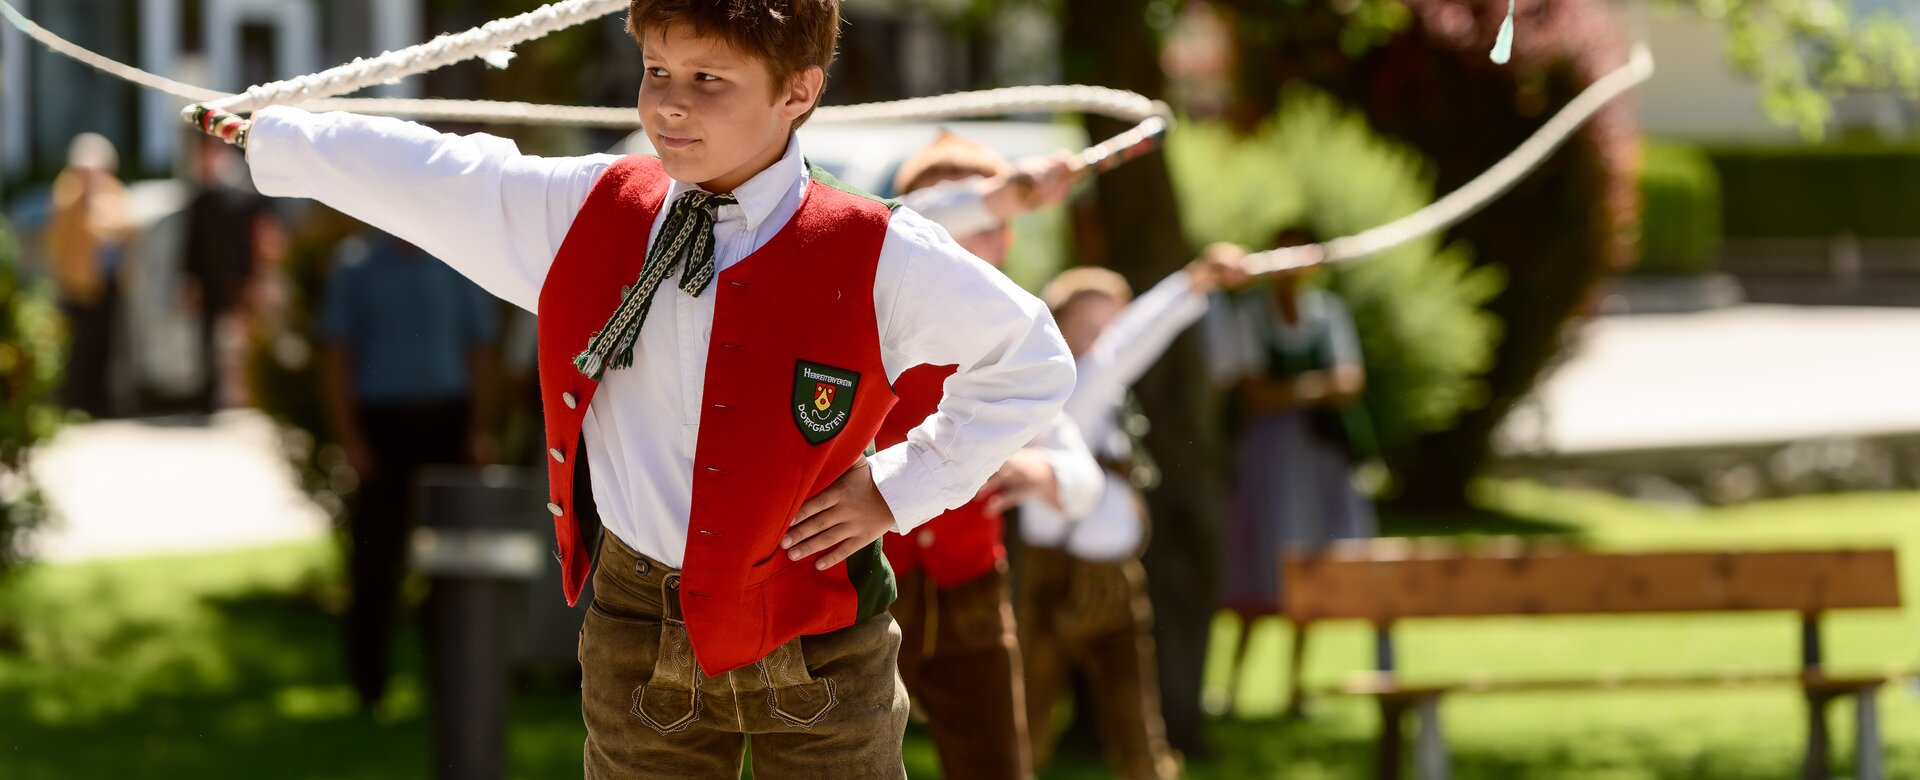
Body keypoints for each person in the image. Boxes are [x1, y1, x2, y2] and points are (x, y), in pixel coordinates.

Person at [222, 0, 1075, 775]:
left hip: (820, 637)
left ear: (798, 92)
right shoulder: (594, 210)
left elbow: (1032, 358)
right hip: (636, 631)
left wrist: (898, 487)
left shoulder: (878, 248)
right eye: (657, 72)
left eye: (709, 80)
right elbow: (444, 176)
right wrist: (271, 137)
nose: (670, 104)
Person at [880, 132, 1098, 780]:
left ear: (1005, 241)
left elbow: (1083, 480)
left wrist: (1042, 470)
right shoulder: (865, 317)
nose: (954, 235)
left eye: (981, 219)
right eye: (947, 212)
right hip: (861, 590)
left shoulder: (1019, 344)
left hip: (971, 591)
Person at [1019, 246, 1248, 780]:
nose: (1103, 338)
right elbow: (1121, 351)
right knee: (1026, 724)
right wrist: (1193, 282)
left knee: (1137, 726)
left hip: (1117, 578)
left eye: (1111, 323)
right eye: (1088, 324)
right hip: (1057, 577)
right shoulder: (1061, 386)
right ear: (1057, 326)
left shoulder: (1106, 392)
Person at [317, 225, 500, 712]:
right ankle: (369, 690)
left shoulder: (456, 259)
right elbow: (338, 359)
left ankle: (452, 686)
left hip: (446, 426)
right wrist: (351, 440)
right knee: (375, 566)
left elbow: (478, 351)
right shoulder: (355, 266)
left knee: (451, 566)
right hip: (382, 433)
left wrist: (480, 429)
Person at [1207, 248, 1376, 715]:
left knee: (1310, 560)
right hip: (1270, 457)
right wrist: (1316, 387)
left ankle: (1296, 688)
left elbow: (1350, 382)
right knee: (1261, 557)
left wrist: (1293, 390)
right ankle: (1230, 688)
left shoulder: (1327, 313)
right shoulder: (1251, 316)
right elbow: (1256, 394)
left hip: (1317, 456)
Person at [182, 136, 280, 413]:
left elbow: (258, 239)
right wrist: (189, 279)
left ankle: (253, 396)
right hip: (208, 280)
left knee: (246, 342)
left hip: (239, 279)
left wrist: (252, 277)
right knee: (206, 342)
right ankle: (208, 398)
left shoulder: (246, 196)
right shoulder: (200, 197)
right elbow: (192, 243)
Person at [45, 133, 132, 418]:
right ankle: (75, 401)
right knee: (78, 347)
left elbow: (122, 227)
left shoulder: (113, 191)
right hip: (76, 283)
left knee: (104, 345)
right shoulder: (67, 192)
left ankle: (100, 402)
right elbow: (68, 231)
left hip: (106, 283)